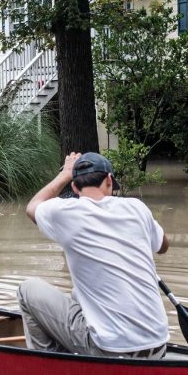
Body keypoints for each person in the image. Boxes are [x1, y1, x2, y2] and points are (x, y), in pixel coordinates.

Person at [18, 152, 170, 358]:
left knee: (27, 290)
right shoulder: (136, 207)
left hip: (110, 351)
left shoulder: (64, 211)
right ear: (109, 179)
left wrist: (65, 174)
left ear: (74, 187)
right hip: (158, 346)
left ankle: (50, 365)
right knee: (76, 295)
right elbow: (163, 246)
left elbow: (32, 207)